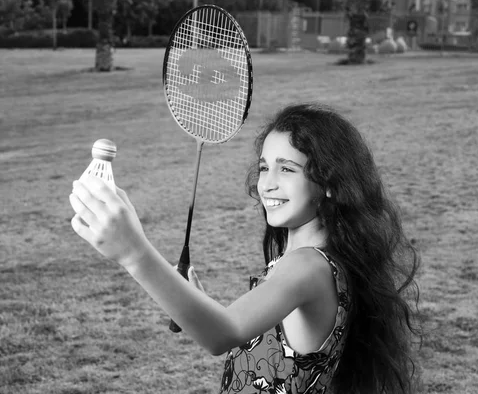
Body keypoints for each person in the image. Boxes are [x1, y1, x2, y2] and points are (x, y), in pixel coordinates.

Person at [69, 103, 422, 394]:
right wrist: (196, 304)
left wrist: (134, 253)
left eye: (287, 169)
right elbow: (253, 342)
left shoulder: (308, 267)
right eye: (265, 167)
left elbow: (223, 333)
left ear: (328, 183)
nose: (267, 183)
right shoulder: (310, 263)